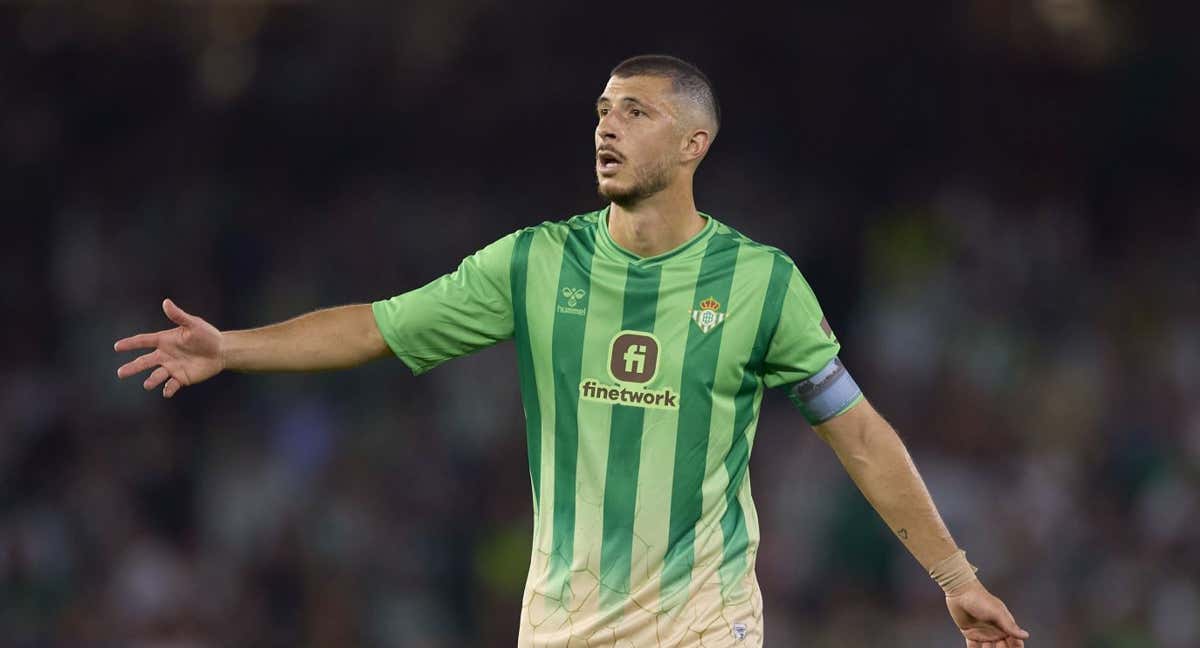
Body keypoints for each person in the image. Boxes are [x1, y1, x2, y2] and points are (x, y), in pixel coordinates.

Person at [115, 54, 1029, 648]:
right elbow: (377, 326)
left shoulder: (763, 282)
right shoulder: (533, 261)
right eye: (601, 110)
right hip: (563, 626)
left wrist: (956, 578)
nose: (606, 127)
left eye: (634, 112)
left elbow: (859, 433)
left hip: (703, 628)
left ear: (694, 142)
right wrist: (230, 347)